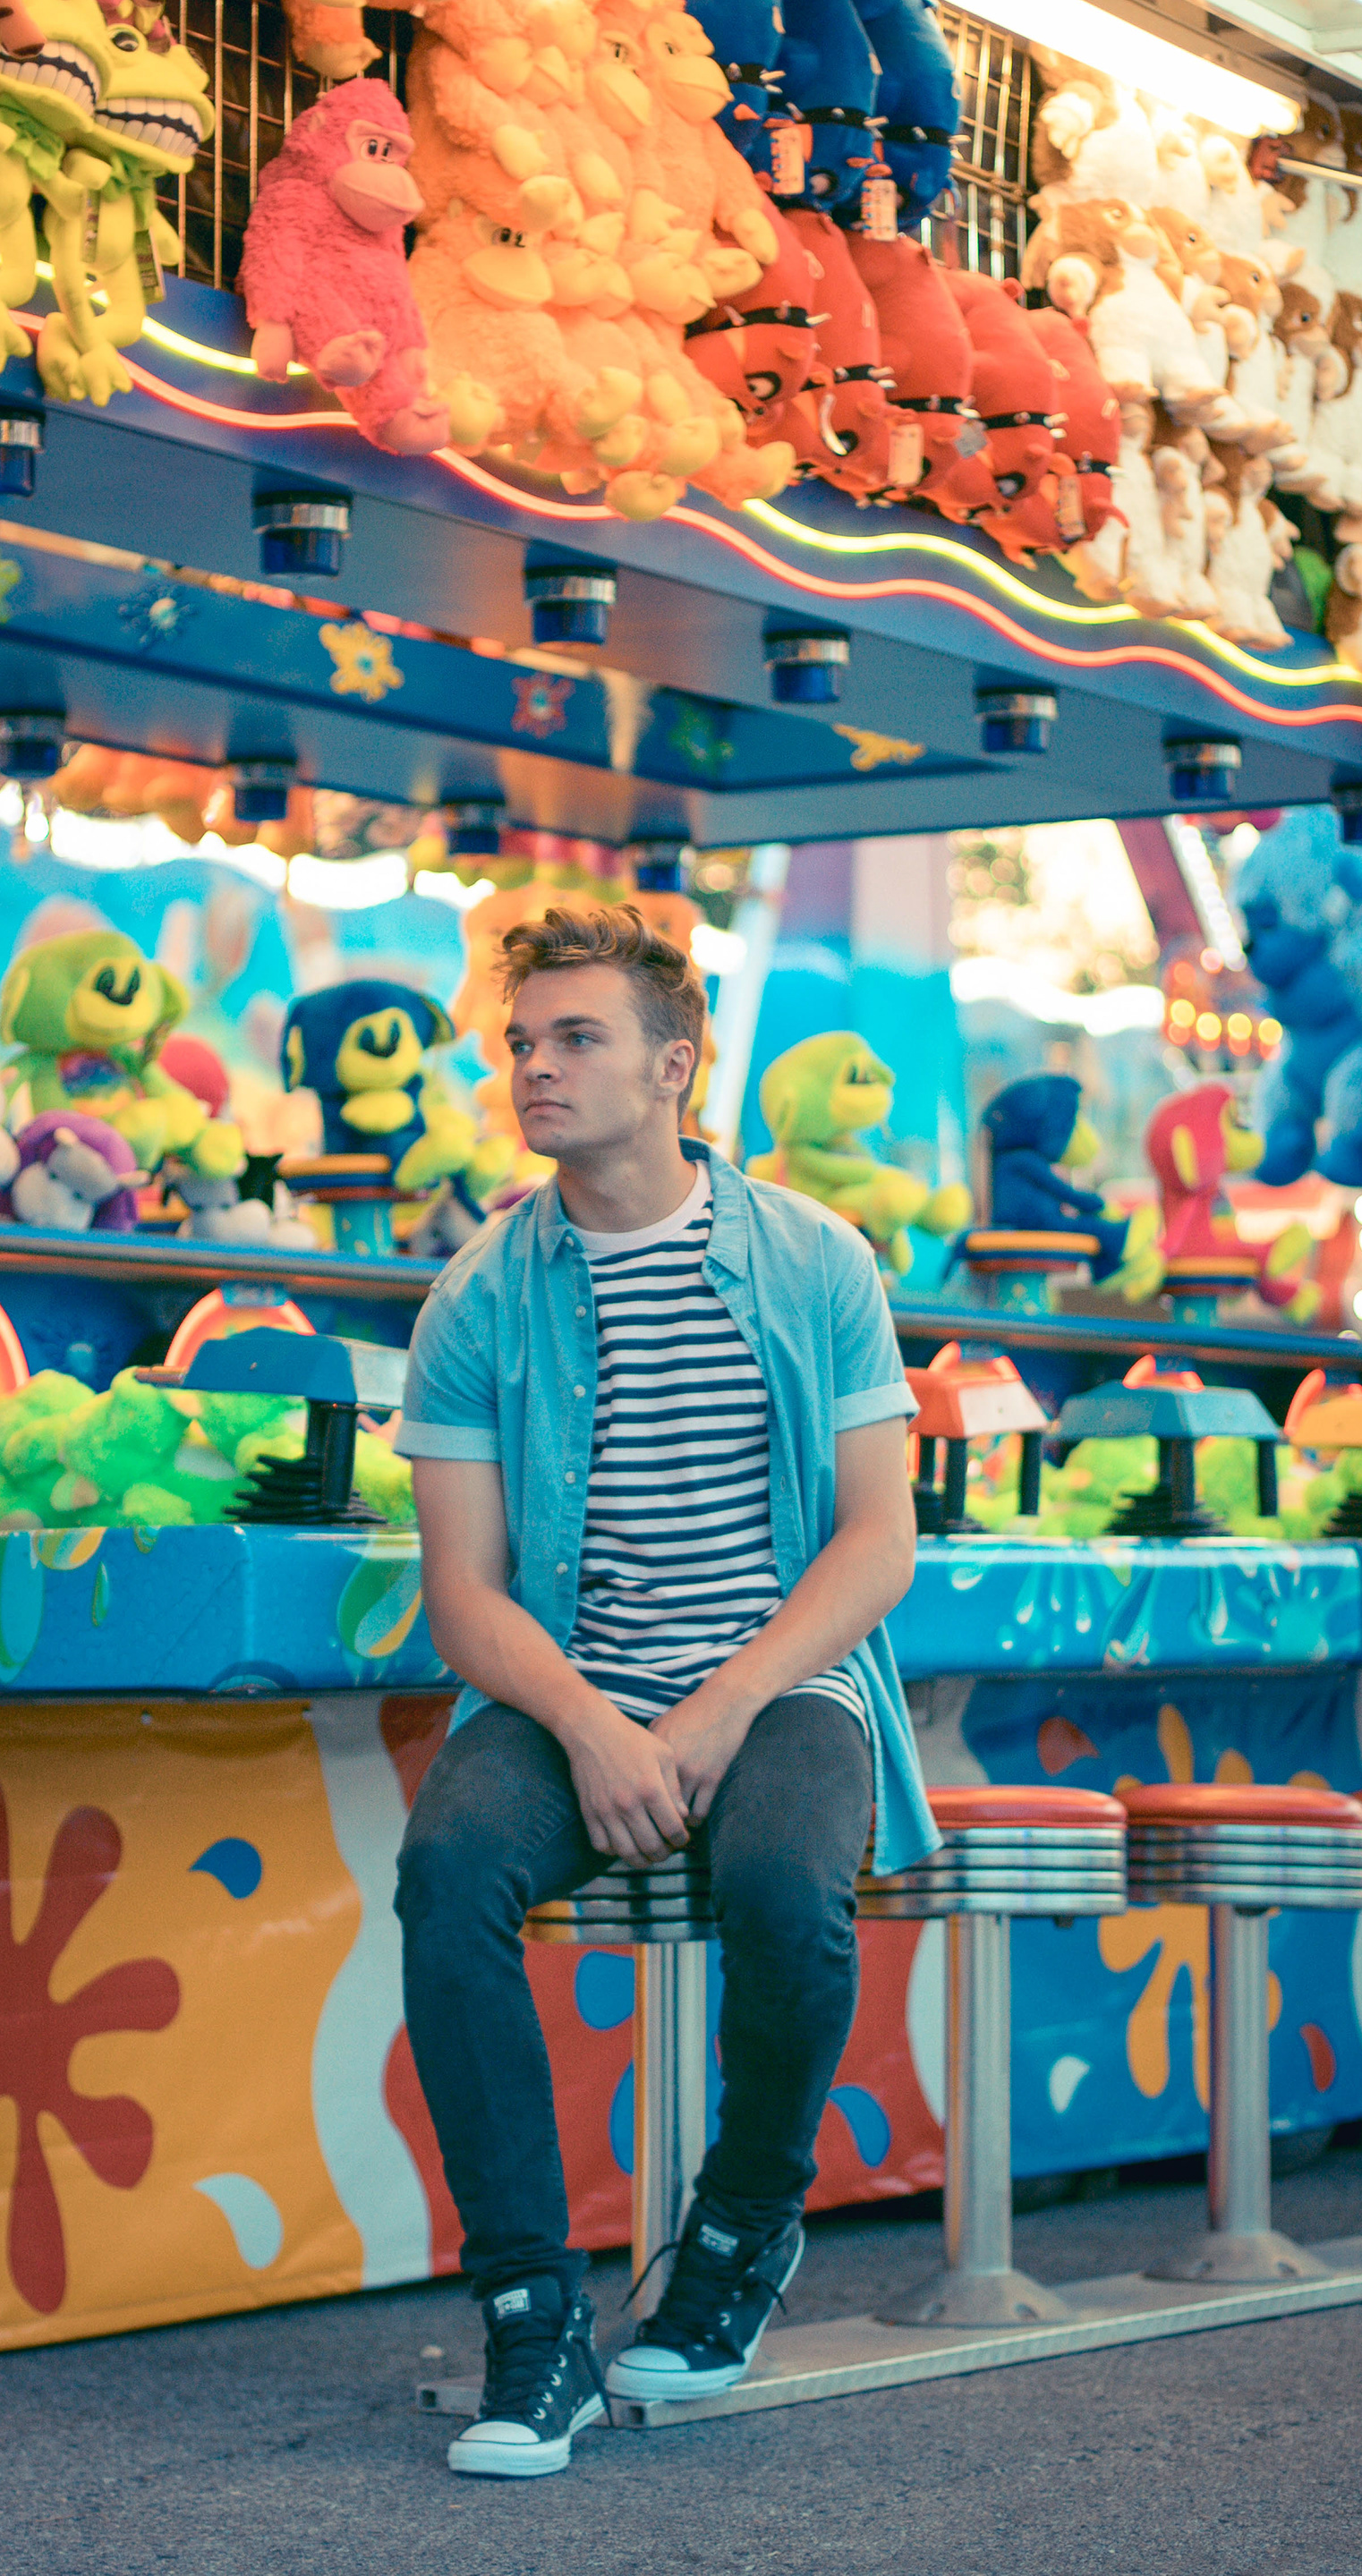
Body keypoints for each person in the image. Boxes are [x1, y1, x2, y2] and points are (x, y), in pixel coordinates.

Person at [394, 905, 933, 2478]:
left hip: (783, 1683)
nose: (537, 1068)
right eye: (522, 1042)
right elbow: (464, 1594)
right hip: (573, 1684)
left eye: (578, 1038)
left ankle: (744, 2229)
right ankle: (530, 2317)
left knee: (782, 1883)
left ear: (674, 1066)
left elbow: (878, 1538)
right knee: (447, 1873)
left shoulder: (814, 1259)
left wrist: (714, 1714)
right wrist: (590, 1726)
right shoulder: (479, 1297)